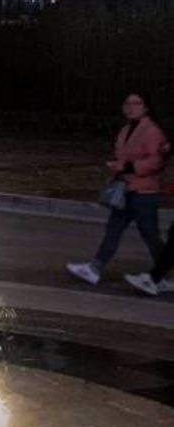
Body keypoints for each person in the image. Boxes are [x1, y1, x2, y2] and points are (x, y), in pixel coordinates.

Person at [68, 93, 168, 286]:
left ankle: (163, 274)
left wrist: (128, 167)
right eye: (127, 103)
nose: (131, 107)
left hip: (144, 193)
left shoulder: (152, 131)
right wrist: (117, 167)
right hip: (126, 190)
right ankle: (94, 268)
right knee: (113, 230)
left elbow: (156, 161)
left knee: (150, 235)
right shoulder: (126, 130)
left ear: (146, 107)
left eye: (136, 103)